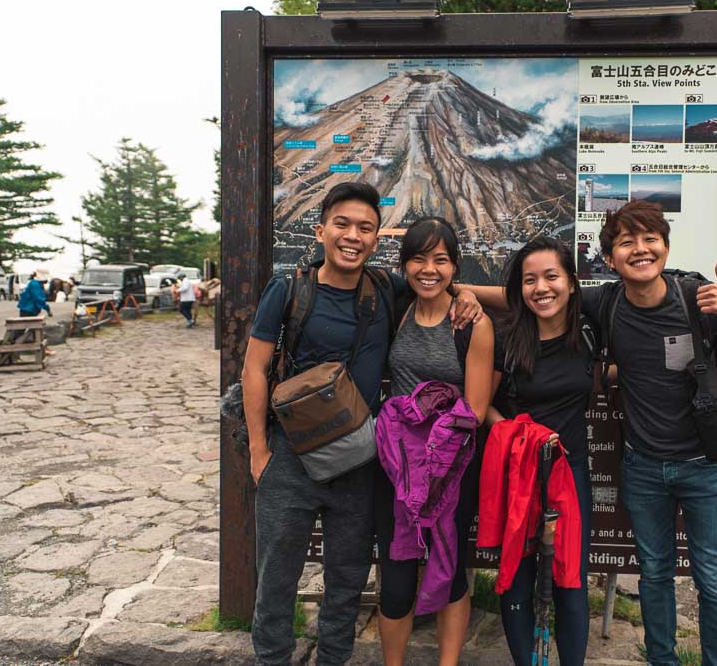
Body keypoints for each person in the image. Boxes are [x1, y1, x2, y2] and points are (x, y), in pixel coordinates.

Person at [463, 201, 717, 666]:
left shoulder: (697, 297)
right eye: (627, 242)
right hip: (643, 466)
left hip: (707, 466)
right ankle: (661, 660)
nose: (640, 250)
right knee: (654, 576)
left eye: (649, 240)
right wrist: (455, 290)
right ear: (610, 258)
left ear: (665, 246)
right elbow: (533, 294)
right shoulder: (608, 302)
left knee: (715, 581)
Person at [240, 182, 480, 666]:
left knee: (347, 580)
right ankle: (271, 659)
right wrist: (259, 451)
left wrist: (468, 293)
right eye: (342, 224)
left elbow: (432, 283)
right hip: (290, 456)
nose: (353, 236)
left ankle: (333, 659)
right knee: (277, 578)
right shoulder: (288, 290)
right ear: (321, 229)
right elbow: (253, 369)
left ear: (377, 239)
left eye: (365, 228)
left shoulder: (385, 289)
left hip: (359, 458)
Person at [374, 216, 494, 666]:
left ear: (455, 266)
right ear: (404, 265)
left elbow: (477, 410)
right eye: (419, 259)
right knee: (397, 575)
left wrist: (427, 422)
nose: (429, 269)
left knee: (450, 569)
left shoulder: (472, 325)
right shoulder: (396, 306)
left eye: (440, 260)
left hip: (451, 468)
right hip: (394, 464)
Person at [486, 237, 594, 666]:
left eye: (551, 277)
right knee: (516, 577)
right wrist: (521, 435)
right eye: (529, 280)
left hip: (573, 475)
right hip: (520, 476)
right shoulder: (506, 339)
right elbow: (482, 406)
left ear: (570, 282)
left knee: (571, 581)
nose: (541, 288)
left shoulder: (589, 330)